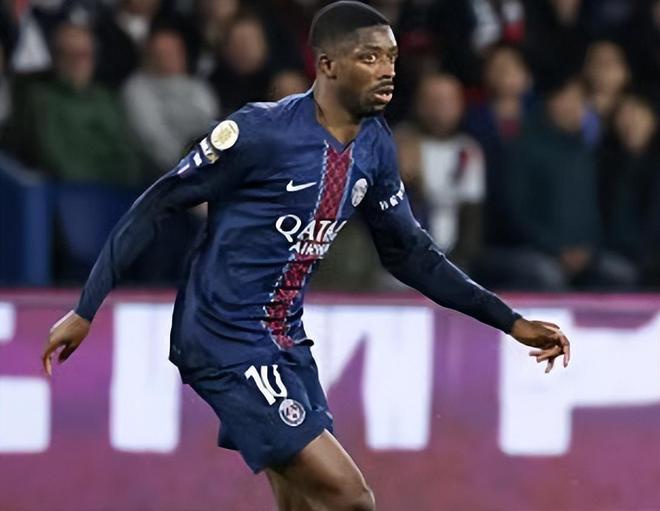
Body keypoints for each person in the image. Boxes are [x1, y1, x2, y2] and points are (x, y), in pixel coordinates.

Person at [42, 3, 570, 510]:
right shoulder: (261, 132)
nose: (387, 70)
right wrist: (86, 308)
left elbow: (411, 254)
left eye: (391, 57)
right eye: (369, 57)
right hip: (223, 337)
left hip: (286, 343)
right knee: (350, 497)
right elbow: (157, 202)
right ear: (327, 65)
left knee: (308, 504)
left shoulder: (374, 145)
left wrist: (510, 322)